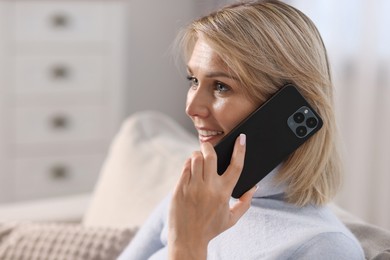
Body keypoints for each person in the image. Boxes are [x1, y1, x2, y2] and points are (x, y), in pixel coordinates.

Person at [118, 0, 365, 259]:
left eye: (221, 86)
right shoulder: (196, 195)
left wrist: (188, 246)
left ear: (282, 107)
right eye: (194, 80)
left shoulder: (325, 247)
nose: (191, 107)